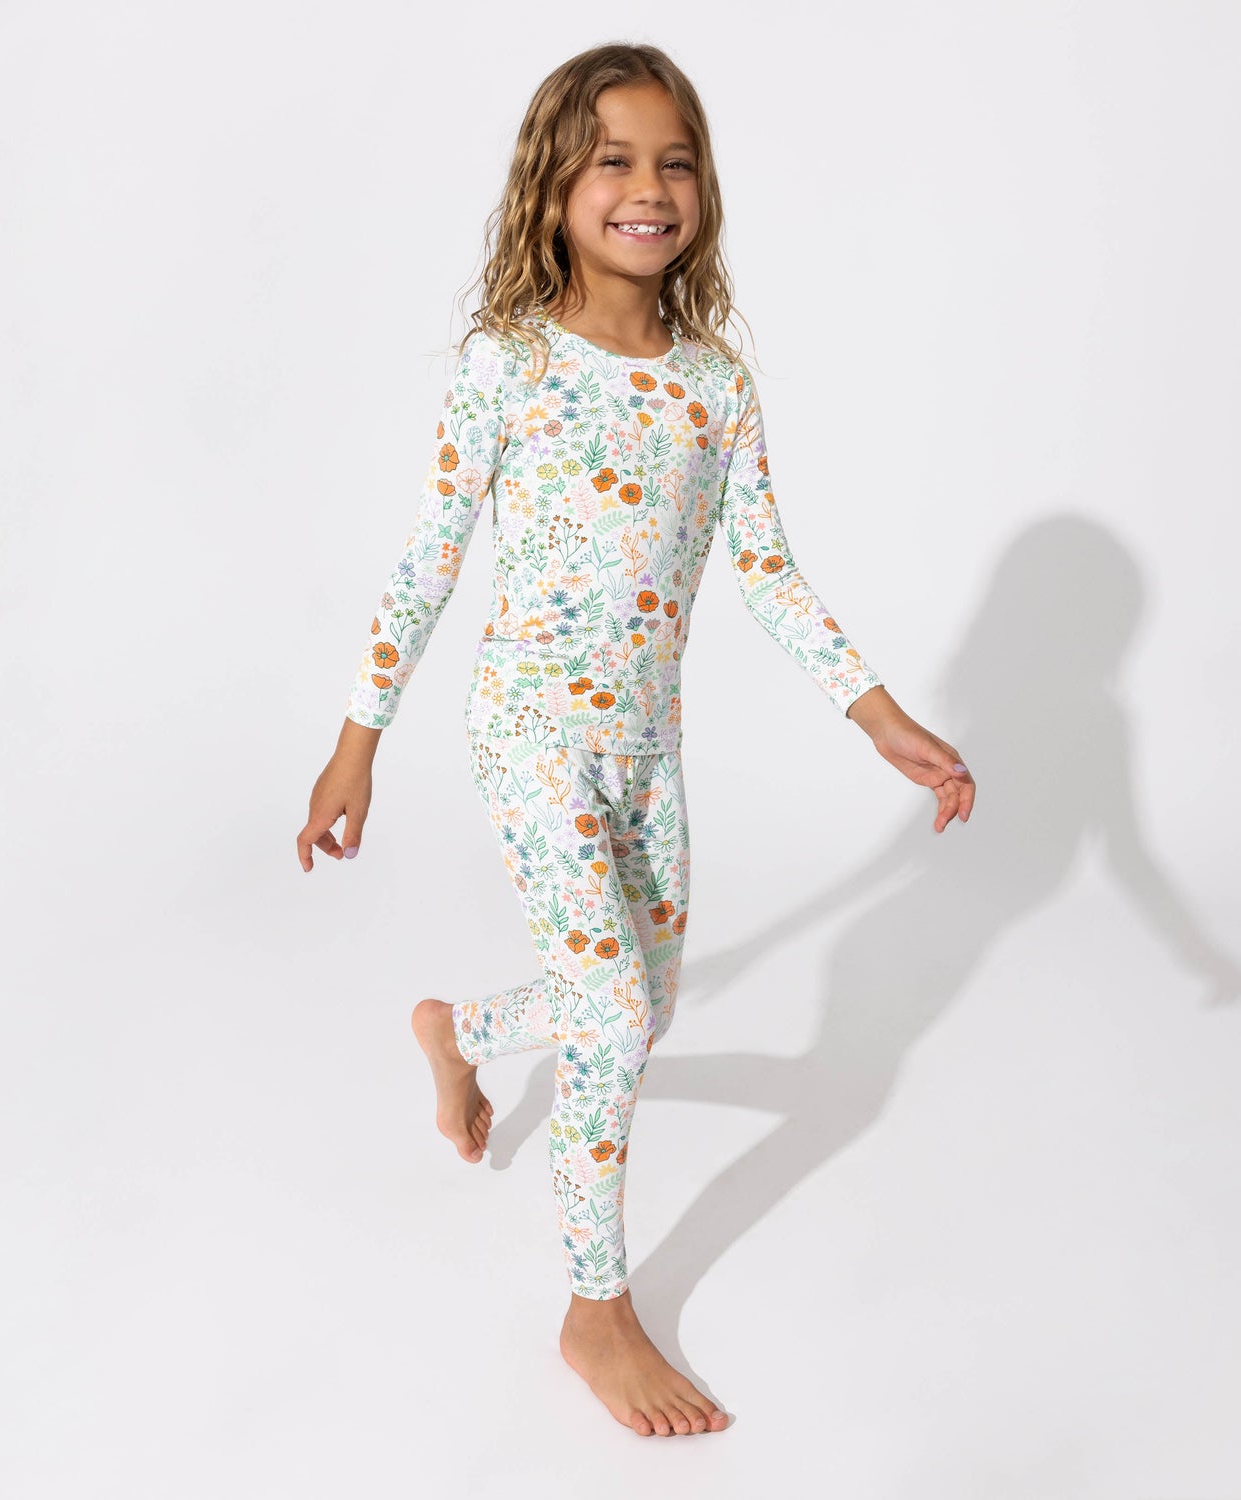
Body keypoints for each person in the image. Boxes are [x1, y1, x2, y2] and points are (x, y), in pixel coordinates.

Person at [297, 41, 975, 1439]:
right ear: (553, 185)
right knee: (609, 1012)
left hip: (646, 750)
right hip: (529, 730)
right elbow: (429, 561)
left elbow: (768, 573)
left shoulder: (714, 386)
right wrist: (357, 741)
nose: (648, 187)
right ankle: (594, 1309)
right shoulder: (509, 365)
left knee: (641, 1008)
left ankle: (458, 1032)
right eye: (613, 160)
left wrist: (879, 717)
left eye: (676, 162)